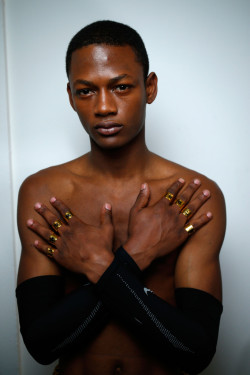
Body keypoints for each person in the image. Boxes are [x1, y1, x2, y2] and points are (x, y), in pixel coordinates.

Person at [16, 20, 226, 375]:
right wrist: (136, 258)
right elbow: (42, 346)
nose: (103, 107)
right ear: (70, 96)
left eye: (121, 87)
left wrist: (99, 266)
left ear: (150, 87)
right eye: (86, 91)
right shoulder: (44, 192)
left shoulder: (192, 196)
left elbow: (196, 351)